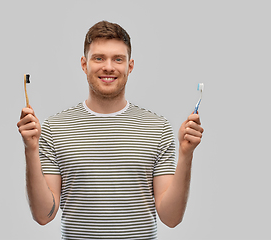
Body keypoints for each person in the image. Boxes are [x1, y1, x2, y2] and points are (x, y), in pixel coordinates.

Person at [17, 20, 204, 239]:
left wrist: (186, 154)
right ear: (84, 64)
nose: (108, 67)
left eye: (118, 59)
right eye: (99, 58)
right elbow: (43, 215)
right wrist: (30, 149)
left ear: (130, 66)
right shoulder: (54, 128)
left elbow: (171, 219)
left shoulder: (157, 128)